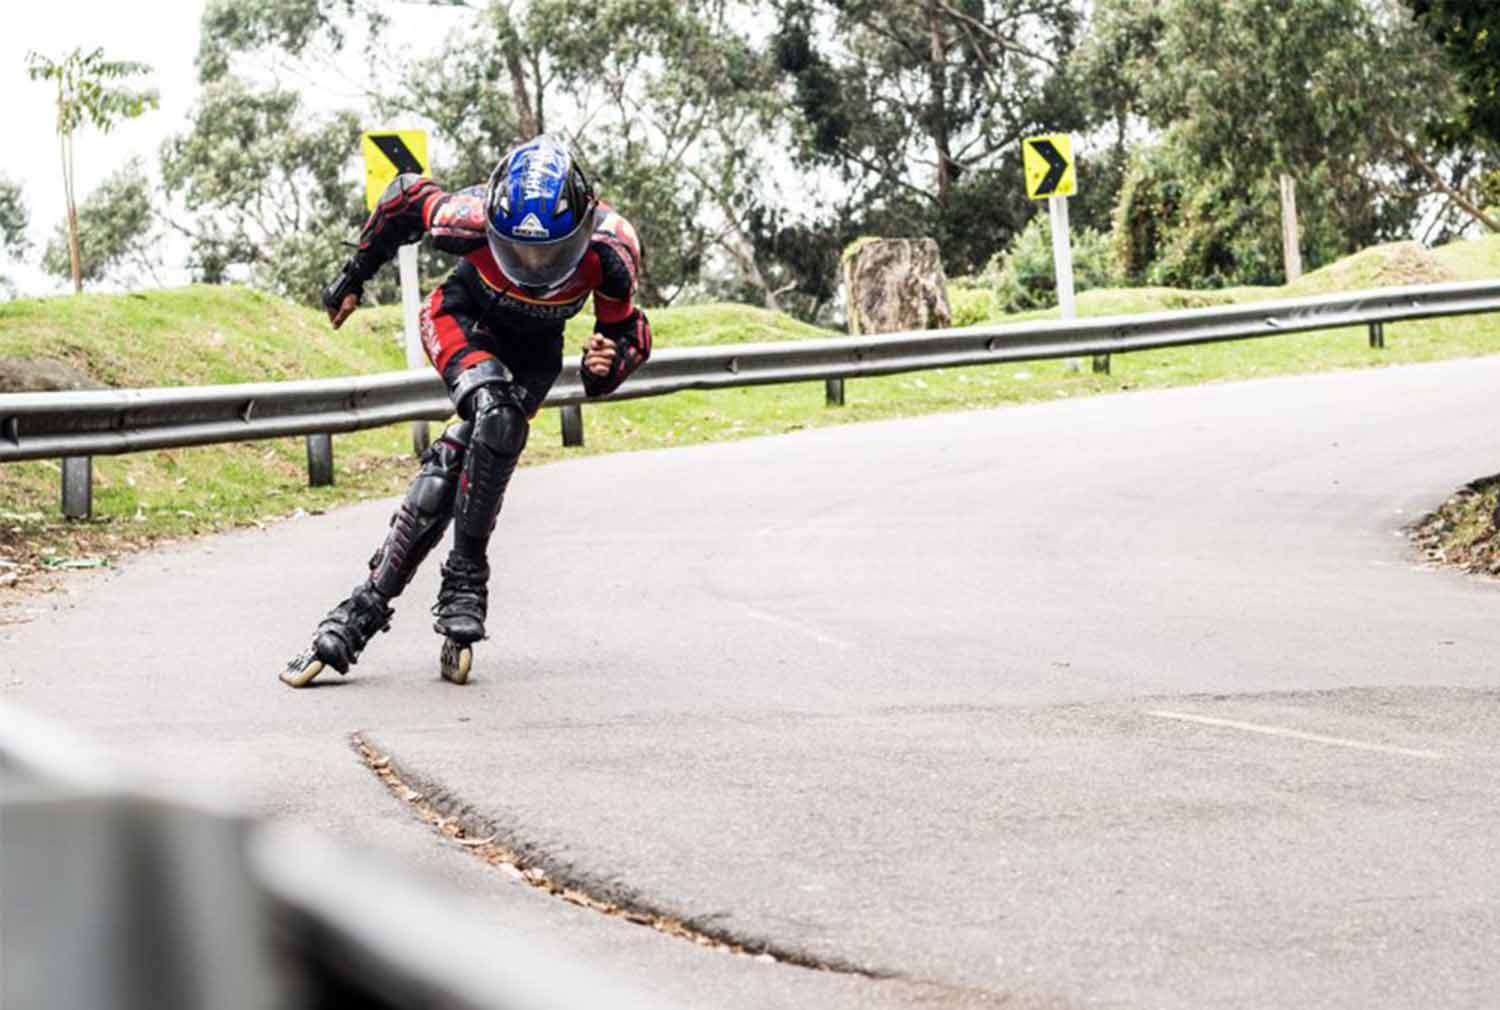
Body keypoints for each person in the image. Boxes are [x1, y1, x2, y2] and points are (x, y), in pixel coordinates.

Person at [282, 136, 651, 687]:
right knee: (494, 418)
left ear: (582, 228)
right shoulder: (465, 219)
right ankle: (465, 580)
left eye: (549, 252)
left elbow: (624, 333)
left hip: (535, 353)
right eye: (519, 250)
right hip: (461, 318)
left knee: (460, 454)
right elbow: (403, 198)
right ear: (493, 228)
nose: (532, 265)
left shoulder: (611, 250)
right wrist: (354, 276)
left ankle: (360, 611)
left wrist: (607, 365)